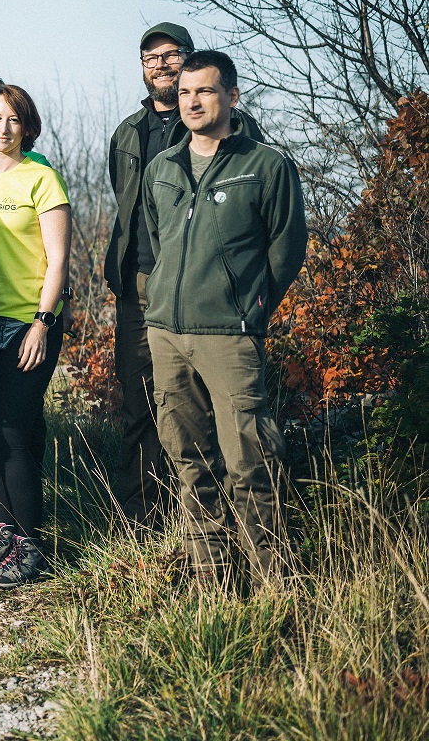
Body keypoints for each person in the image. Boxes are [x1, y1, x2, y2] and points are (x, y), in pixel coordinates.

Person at [143, 50, 305, 585]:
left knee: (251, 463)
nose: (192, 101)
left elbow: (286, 251)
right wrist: (157, 308)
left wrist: (251, 310)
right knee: (191, 464)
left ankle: (274, 586)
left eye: (205, 91)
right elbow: (155, 245)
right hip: (167, 334)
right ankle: (212, 582)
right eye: (186, 92)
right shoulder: (160, 170)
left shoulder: (266, 166)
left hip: (229, 337)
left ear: (232, 97)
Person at [105, 25, 265, 529]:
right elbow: (131, 209)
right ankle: (144, 523)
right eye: (149, 56)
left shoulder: (229, 126)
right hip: (142, 285)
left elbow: (265, 224)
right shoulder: (128, 132)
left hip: (211, 293)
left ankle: (224, 527)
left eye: (171, 55)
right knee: (143, 406)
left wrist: (253, 296)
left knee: (221, 417)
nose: (161, 65)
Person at [0, 85, 71, 588]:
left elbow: (60, 261)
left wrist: (43, 323)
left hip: (31, 324)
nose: (1, 127)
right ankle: (2, 538)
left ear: (27, 125)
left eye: (12, 119)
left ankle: (29, 547)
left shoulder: (41, 179)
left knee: (12, 433)